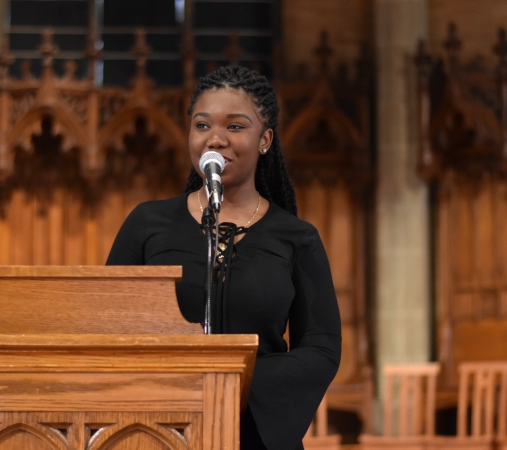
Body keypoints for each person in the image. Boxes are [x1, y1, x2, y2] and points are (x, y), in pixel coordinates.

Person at [106, 65, 341, 450]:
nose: (215, 139)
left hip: (255, 428)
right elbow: (107, 326)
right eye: (202, 126)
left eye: (235, 126)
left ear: (265, 140)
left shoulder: (297, 237)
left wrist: (234, 382)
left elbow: (321, 347)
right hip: (158, 425)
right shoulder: (147, 224)